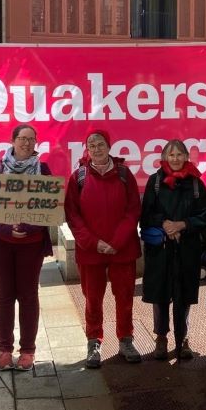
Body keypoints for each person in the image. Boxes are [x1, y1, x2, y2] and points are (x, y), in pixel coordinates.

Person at [65, 130, 143, 369]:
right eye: (91, 145)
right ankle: (94, 342)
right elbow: (73, 215)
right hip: (91, 251)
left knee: (125, 297)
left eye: (100, 144)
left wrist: (117, 241)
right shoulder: (78, 176)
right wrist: (93, 242)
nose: (96, 148)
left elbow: (133, 210)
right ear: (86, 149)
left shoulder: (123, 173)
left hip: (122, 249)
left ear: (109, 147)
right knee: (93, 299)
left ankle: (126, 340)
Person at [0, 125, 54, 371]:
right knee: (3, 295)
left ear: (36, 143)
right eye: (22, 139)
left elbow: (49, 210)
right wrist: (5, 229)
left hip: (31, 245)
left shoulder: (43, 171)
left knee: (28, 295)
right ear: (12, 141)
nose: (26, 143)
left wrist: (27, 227)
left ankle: (28, 350)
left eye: (31, 139)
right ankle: (4, 349)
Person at [140, 140, 206, 360]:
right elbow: (146, 214)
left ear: (187, 156)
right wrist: (166, 224)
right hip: (161, 247)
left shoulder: (197, 183)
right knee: (160, 294)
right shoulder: (156, 181)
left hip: (187, 246)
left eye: (180, 154)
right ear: (164, 158)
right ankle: (161, 337)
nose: (176, 159)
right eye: (172, 155)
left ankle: (184, 337)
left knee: (185, 294)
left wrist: (183, 225)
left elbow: (205, 215)